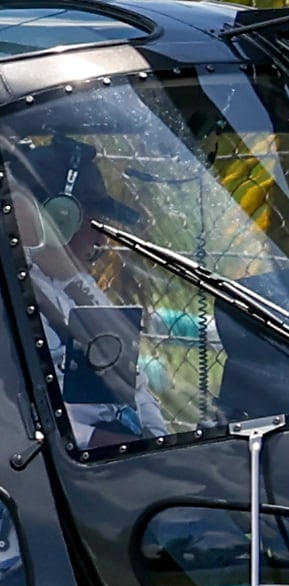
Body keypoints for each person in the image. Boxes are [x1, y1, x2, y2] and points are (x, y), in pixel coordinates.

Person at [12, 134, 170, 447]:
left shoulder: (71, 289)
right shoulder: (18, 302)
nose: (102, 241)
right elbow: (25, 421)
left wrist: (67, 270)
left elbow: (131, 381)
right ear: (59, 217)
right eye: (94, 221)